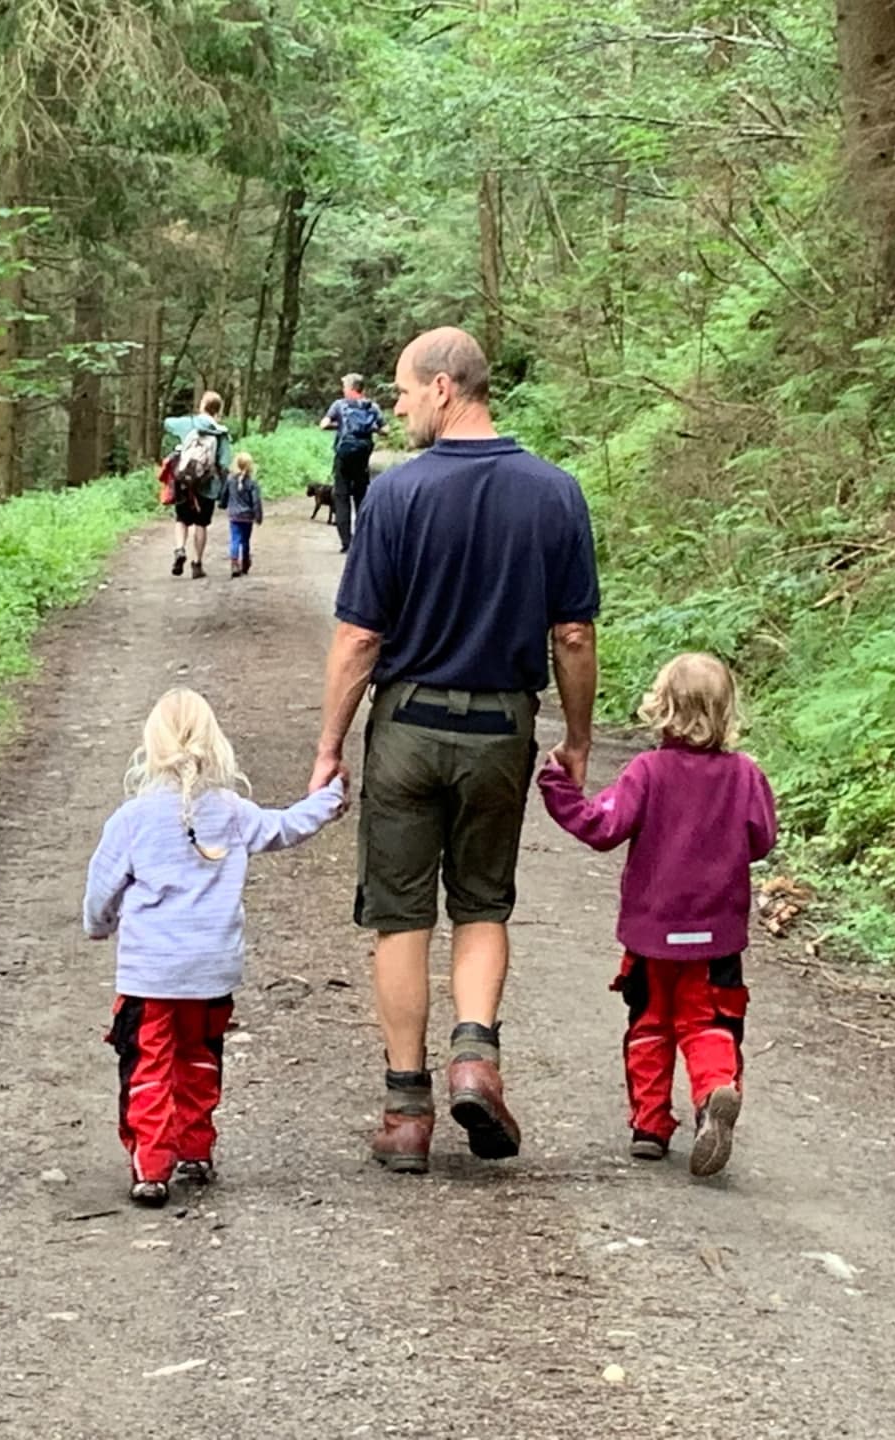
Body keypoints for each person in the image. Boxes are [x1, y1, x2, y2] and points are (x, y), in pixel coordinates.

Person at [310, 326, 601, 1176]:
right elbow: (573, 635)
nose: (397, 409)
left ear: (444, 386)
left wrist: (330, 746)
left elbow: (360, 639)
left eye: (404, 392)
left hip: (407, 727)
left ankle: (406, 1114)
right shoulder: (555, 492)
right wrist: (578, 739)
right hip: (500, 732)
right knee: (481, 904)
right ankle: (475, 1057)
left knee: (400, 917)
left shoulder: (397, 495)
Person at [84, 689, 344, 1206]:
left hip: (150, 976)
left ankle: (151, 1167)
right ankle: (195, 1149)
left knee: (148, 1064)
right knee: (199, 1058)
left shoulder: (132, 819)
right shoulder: (231, 811)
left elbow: (101, 889)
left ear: (151, 745)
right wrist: (331, 797)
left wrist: (100, 925)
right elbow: (286, 826)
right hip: (211, 972)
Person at [538, 654, 776, 1177]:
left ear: (661, 707)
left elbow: (602, 827)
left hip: (651, 934)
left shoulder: (647, 771)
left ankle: (649, 1125)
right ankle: (715, 1089)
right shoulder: (745, 775)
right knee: (710, 1022)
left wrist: (558, 786)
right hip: (716, 936)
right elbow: (761, 839)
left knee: (648, 1024)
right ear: (728, 710)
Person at [163, 392, 234, 579]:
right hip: (207, 484)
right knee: (201, 524)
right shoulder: (221, 433)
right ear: (218, 410)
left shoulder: (189, 423)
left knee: (181, 519)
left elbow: (167, 423)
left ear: (202, 405)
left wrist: (188, 420)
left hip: (184, 482)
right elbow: (224, 463)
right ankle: (197, 564)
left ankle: (180, 549)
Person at [320, 373, 386, 554]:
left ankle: (346, 542)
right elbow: (386, 429)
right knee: (361, 496)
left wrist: (339, 426)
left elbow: (323, 424)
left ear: (350, 388)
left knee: (341, 497)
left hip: (344, 456)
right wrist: (371, 429)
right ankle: (362, 540)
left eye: (344, 387)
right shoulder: (372, 407)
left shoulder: (339, 405)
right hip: (362, 457)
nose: (343, 390)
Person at [219, 450, 264, 578]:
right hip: (247, 517)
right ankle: (245, 562)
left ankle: (234, 563)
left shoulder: (230, 480)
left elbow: (224, 495)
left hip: (234, 516)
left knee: (235, 539)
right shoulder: (252, 483)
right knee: (245, 540)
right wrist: (258, 516)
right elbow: (256, 501)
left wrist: (222, 504)